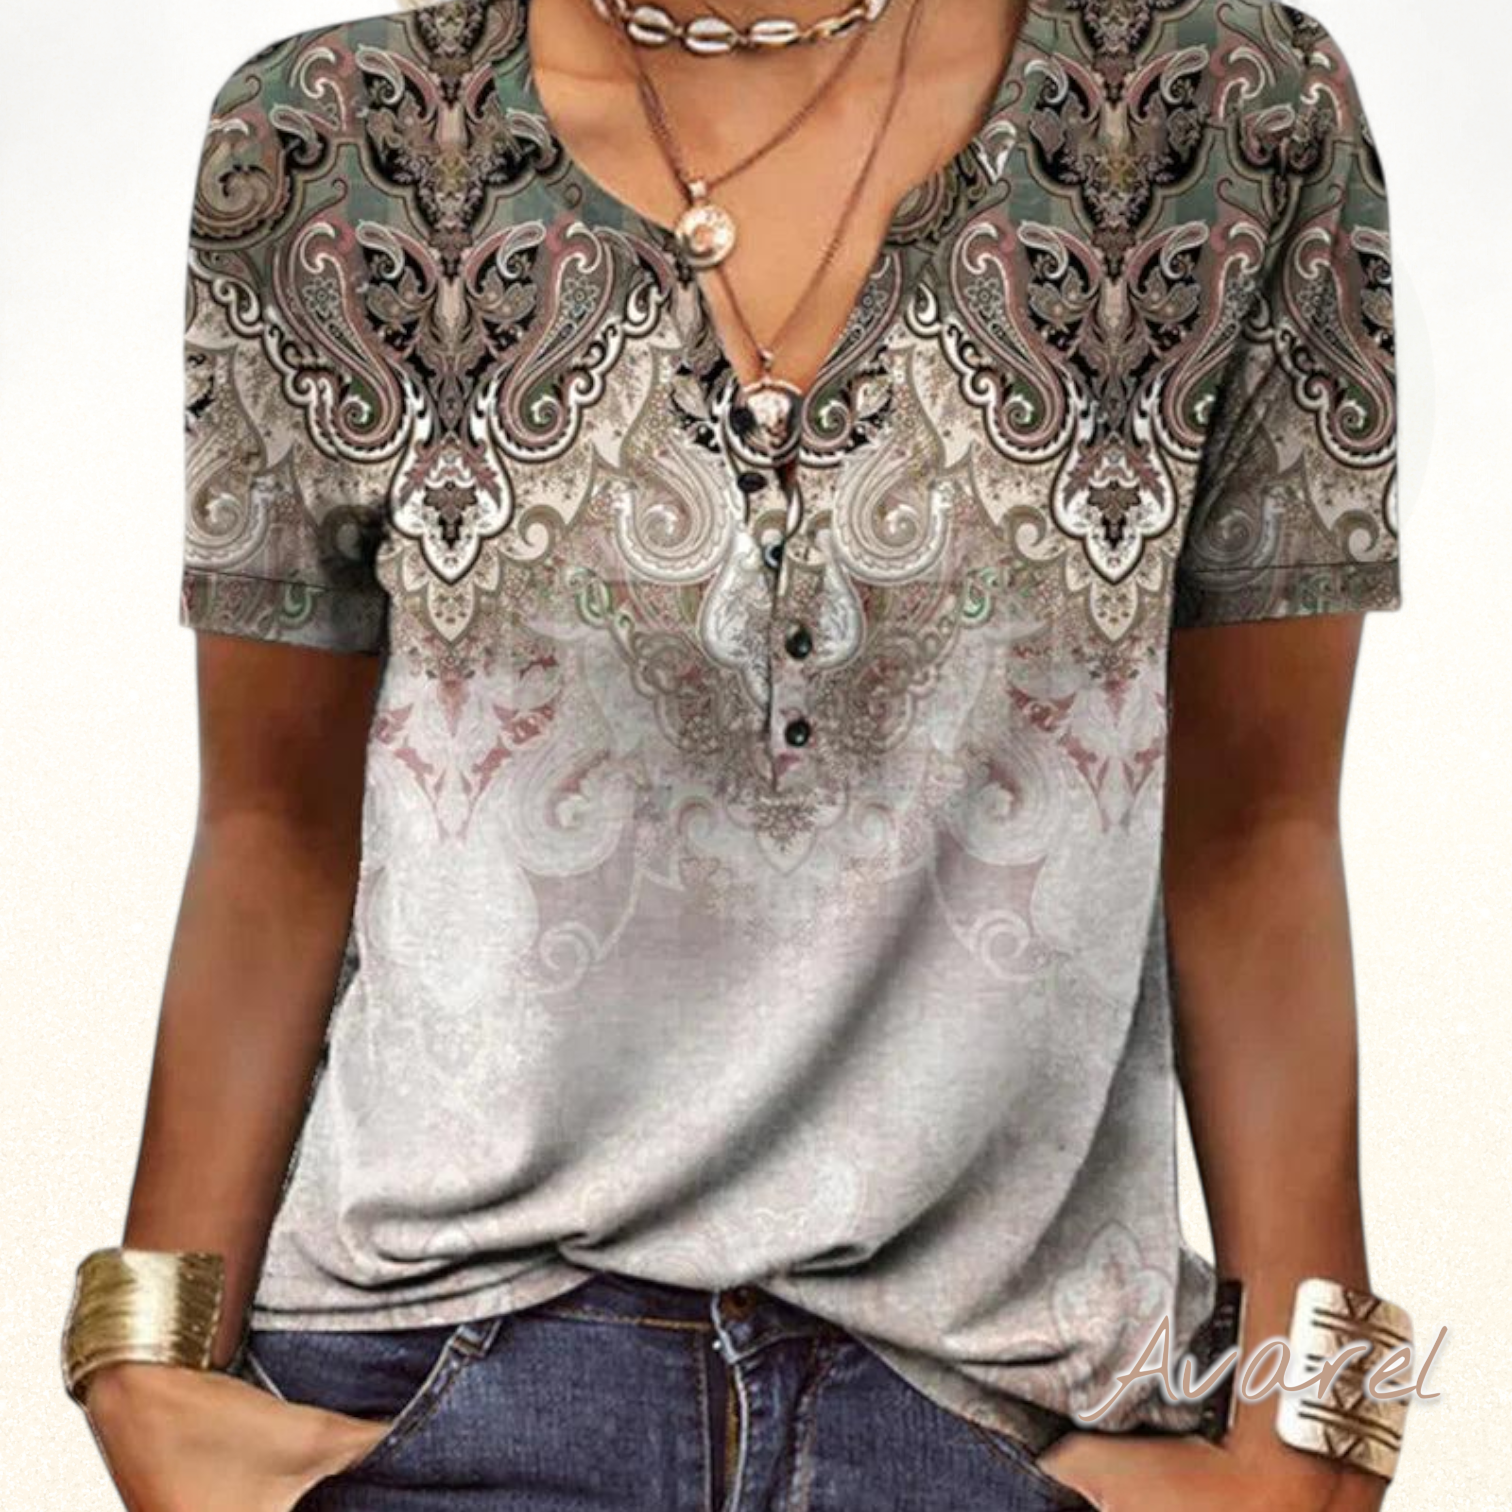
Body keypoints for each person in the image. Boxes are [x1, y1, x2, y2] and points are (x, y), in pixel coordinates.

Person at [62, 0, 1415, 1507]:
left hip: (994, 1406)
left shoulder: (1233, 120)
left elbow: (1255, 837)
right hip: (440, 1376)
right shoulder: (330, 141)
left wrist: (1322, 1438)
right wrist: (144, 1371)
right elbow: (273, 829)